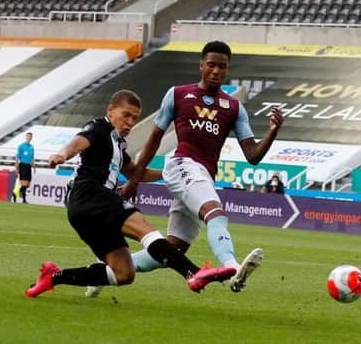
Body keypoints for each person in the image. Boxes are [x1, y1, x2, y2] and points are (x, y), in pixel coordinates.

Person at [89, 41, 283, 296]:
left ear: (227, 70)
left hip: (203, 175)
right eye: (211, 65)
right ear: (201, 65)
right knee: (216, 213)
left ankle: (103, 272)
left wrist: (272, 131)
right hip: (183, 165)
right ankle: (232, 266)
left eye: (222, 67)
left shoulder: (234, 108)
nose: (216, 71)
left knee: (171, 251)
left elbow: (253, 156)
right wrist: (135, 178)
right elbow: (155, 138)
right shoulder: (178, 94)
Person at [25, 90, 235, 298]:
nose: (130, 122)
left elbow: (134, 172)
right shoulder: (99, 128)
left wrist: (171, 174)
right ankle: (194, 273)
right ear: (111, 110)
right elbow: (79, 141)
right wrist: (62, 154)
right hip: (91, 194)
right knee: (147, 231)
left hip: (81, 210)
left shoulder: (116, 142)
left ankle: (53, 277)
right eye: (126, 115)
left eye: (134, 118)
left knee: (124, 273)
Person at [13, 132, 35, 203]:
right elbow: (17, 158)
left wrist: (34, 167)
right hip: (23, 165)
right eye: (28, 136)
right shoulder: (21, 146)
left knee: (28, 184)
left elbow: (32, 158)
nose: (29, 138)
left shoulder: (32, 147)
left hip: (28, 166)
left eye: (30, 137)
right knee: (24, 184)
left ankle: (15, 193)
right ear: (26, 137)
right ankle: (24, 200)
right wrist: (16, 168)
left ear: (31, 138)